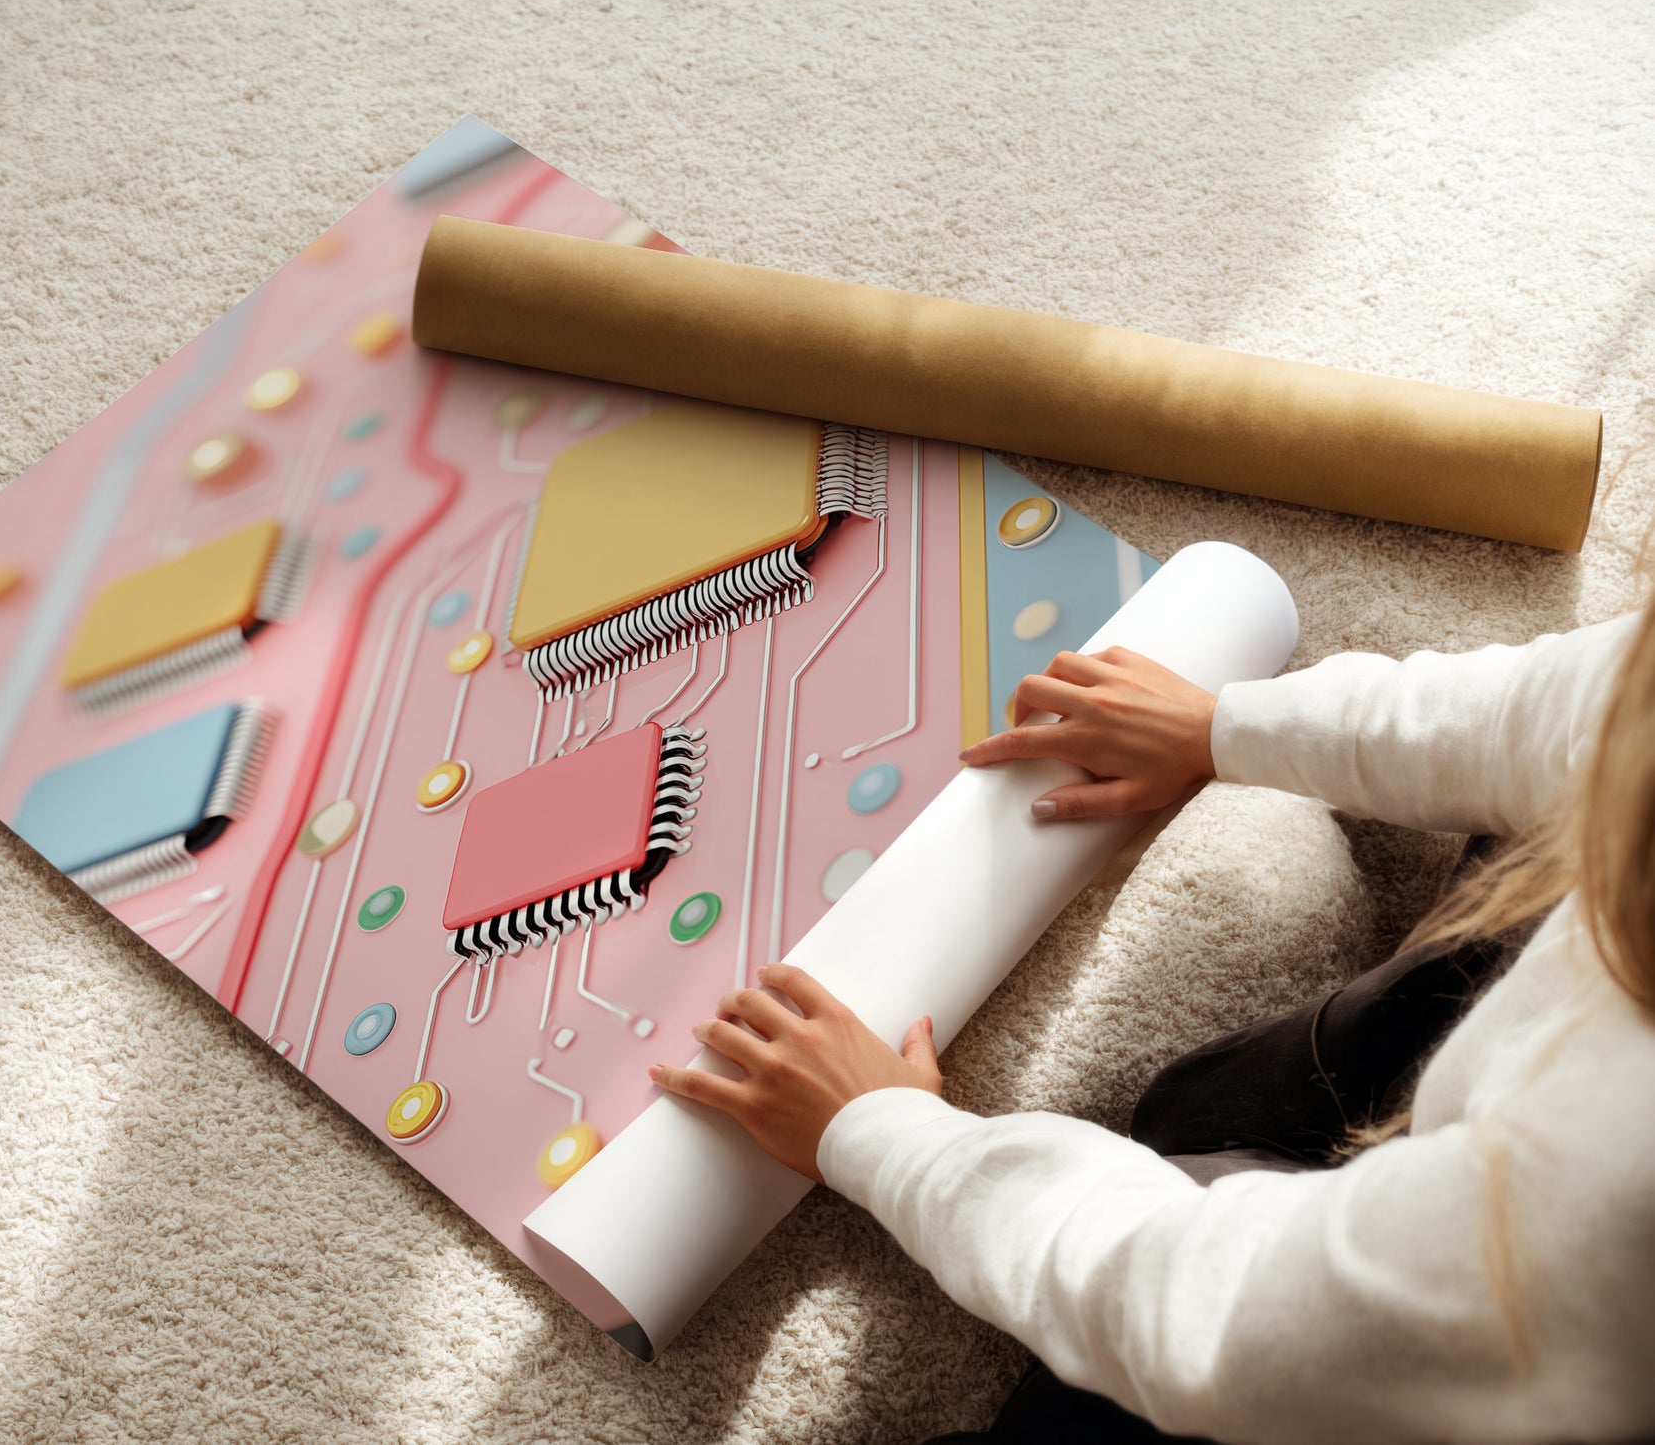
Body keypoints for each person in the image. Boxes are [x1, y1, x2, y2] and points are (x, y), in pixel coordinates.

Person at [650, 607, 1655, 1443]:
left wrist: (884, 1134)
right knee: (1207, 1107)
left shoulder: (1603, 1195)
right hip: (1516, 1155)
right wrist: (1221, 726)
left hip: (1524, 1343)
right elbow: (1570, 705)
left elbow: (1212, 1314)